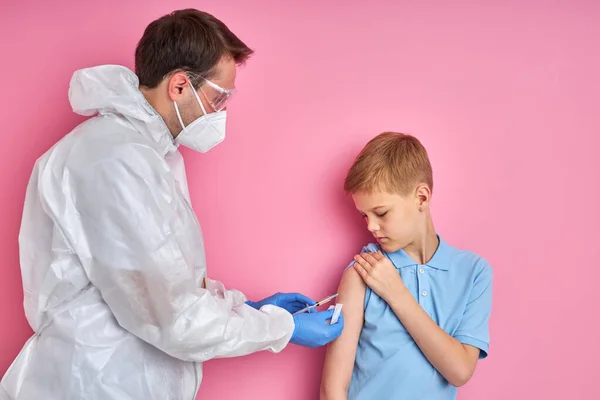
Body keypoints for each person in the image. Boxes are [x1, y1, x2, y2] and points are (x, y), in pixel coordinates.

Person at [1, 9, 343, 400]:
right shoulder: (115, 160)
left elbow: (167, 284)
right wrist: (281, 328)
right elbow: (173, 317)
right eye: (220, 97)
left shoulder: (147, 154)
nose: (222, 111)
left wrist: (243, 306)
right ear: (180, 86)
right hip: (93, 383)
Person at [320, 132, 492, 400]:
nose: (371, 226)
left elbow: (459, 371)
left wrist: (396, 292)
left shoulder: (473, 273)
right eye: (364, 215)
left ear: (421, 198)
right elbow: (333, 389)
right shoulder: (363, 272)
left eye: (381, 213)